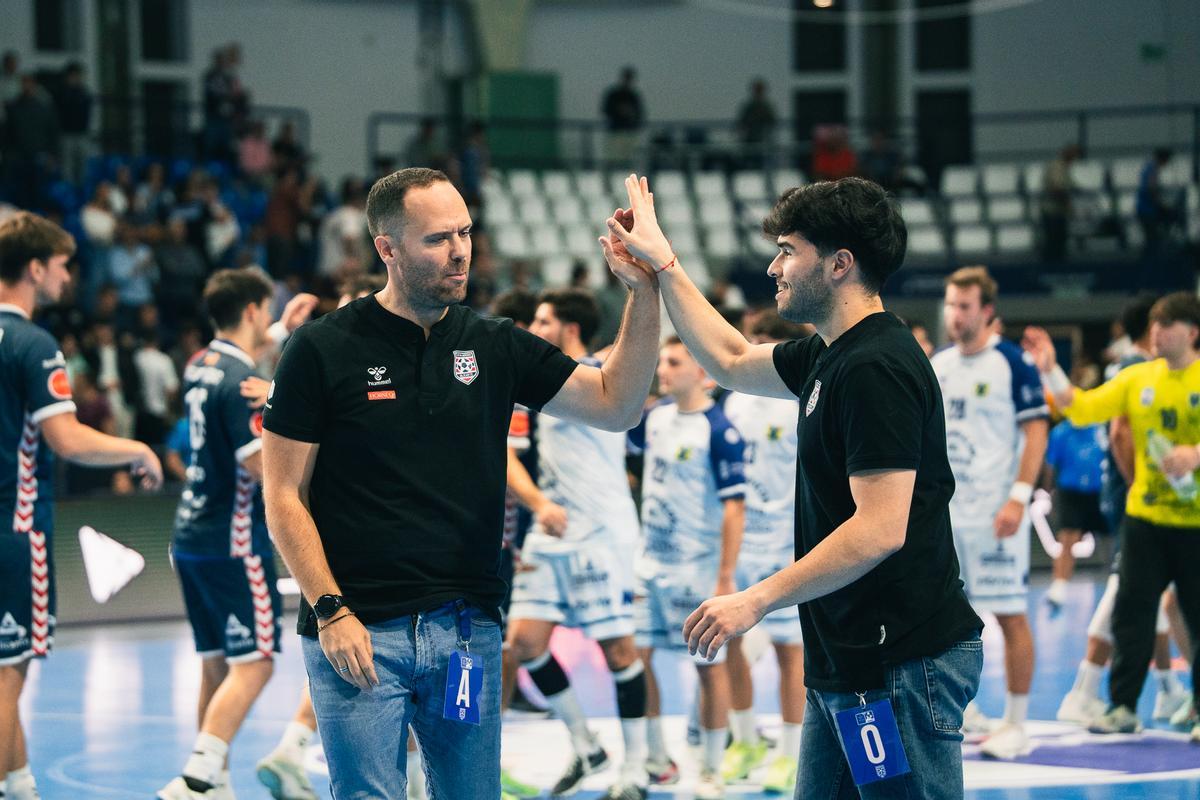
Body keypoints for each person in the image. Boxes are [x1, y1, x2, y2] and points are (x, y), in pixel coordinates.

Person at [260, 167, 661, 798]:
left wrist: (644, 290)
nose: (459, 251)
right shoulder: (320, 349)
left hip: (466, 632)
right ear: (386, 248)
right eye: (437, 239)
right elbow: (282, 496)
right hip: (359, 634)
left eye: (466, 233)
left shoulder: (496, 344)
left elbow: (617, 403)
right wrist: (329, 608)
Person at [602, 174, 983, 799]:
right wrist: (662, 264)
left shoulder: (875, 367)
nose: (774, 267)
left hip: (900, 665)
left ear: (839, 264)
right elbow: (726, 357)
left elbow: (881, 527)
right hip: (850, 662)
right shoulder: (830, 355)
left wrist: (755, 599)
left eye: (788, 251)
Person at [1, 211, 162, 800]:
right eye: (64, 266)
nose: (69, 278)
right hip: (15, 531)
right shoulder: (32, 342)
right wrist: (136, 448)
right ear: (36, 268)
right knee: (7, 677)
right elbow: (66, 438)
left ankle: (20, 787)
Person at [1025, 292, 1200, 740]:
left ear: (1193, 333)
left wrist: (1194, 454)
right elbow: (1080, 407)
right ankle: (1123, 706)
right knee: (1131, 612)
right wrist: (1049, 367)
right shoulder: (1136, 378)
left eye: (1169, 325)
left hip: (1195, 523)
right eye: (1155, 325)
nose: (1157, 333)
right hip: (1144, 517)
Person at [502, 288, 650, 800]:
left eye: (543, 320)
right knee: (523, 643)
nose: (534, 328)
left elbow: (633, 347)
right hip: (554, 529)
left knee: (618, 650)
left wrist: (639, 286)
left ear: (569, 328)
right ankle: (587, 746)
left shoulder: (598, 371)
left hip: (602, 533)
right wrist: (540, 503)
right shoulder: (539, 380)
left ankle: (635, 770)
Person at [156, 268, 288, 799]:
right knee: (255, 664)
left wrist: (278, 334)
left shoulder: (199, 365)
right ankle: (197, 778)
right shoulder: (243, 383)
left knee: (217, 663)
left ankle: (215, 785)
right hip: (233, 540)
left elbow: (233, 369)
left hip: (189, 536)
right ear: (254, 309)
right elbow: (261, 465)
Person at [931, 266, 1048, 760]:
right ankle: (965, 711)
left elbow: (1037, 431)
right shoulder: (938, 366)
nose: (954, 315)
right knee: (946, 618)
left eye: (964, 306)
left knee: (1009, 614)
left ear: (987, 312)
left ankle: (1016, 724)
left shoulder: (1012, 364)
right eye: (950, 305)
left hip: (997, 515)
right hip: (947, 519)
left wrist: (1019, 496)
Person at [628, 336, 746, 799]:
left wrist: (724, 577)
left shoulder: (718, 430)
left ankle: (711, 769)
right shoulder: (655, 419)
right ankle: (657, 756)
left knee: (707, 667)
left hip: (694, 571)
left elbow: (735, 508)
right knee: (639, 660)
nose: (663, 369)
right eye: (662, 361)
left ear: (703, 373)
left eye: (674, 362)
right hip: (648, 566)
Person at [717, 311, 809, 794]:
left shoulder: (800, 398)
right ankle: (747, 737)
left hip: (788, 540)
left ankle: (791, 751)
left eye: (760, 341)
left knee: (789, 649)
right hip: (741, 540)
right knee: (730, 637)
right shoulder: (733, 403)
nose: (750, 349)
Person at [1042, 415, 1108, 609]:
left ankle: (1118, 579)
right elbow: (1050, 465)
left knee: (1113, 538)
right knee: (1068, 539)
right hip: (1070, 493)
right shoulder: (1060, 432)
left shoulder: (1099, 430)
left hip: (1099, 492)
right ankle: (1058, 589)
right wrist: (1048, 491)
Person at [1039, 144, 1078, 263]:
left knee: (1060, 242)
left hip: (1059, 211)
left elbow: (1072, 186)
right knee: (1053, 243)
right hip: (1052, 211)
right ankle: (1050, 269)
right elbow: (1057, 189)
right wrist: (1069, 205)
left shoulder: (1065, 167)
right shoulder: (1057, 167)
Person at [601, 67, 644, 167]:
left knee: (628, 158)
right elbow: (606, 110)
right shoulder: (614, 95)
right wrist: (619, 112)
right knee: (613, 158)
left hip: (629, 131)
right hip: (616, 131)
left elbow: (640, 114)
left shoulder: (633, 96)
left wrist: (631, 117)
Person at [736, 79, 777, 168]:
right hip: (750, 138)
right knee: (748, 161)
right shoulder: (749, 106)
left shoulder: (766, 107)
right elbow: (742, 122)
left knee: (760, 162)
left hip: (762, 138)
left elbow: (772, 121)